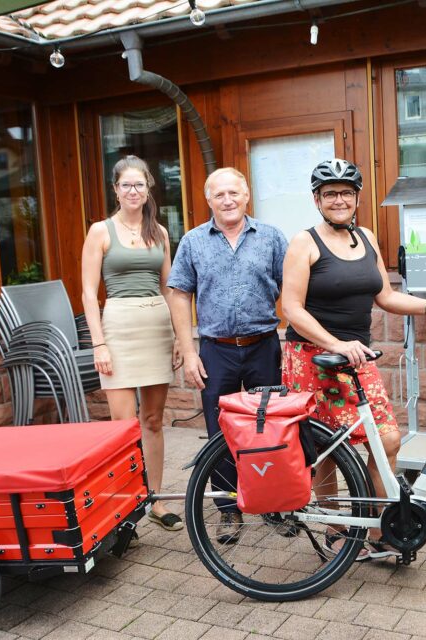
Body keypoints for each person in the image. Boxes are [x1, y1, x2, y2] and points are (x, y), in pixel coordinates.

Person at [281, 159, 426, 561]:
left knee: (388, 440)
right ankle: (334, 528)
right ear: (317, 200)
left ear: (357, 198)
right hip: (312, 358)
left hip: (356, 357)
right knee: (327, 449)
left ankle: (380, 528)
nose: (339, 200)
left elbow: (386, 296)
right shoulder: (303, 243)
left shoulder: (366, 237)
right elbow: (291, 308)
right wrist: (335, 342)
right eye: (330, 194)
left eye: (346, 193)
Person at [167, 167, 288, 544]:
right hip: (215, 350)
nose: (228, 200)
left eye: (234, 192)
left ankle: (272, 504)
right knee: (219, 432)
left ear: (246, 195)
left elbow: (292, 288)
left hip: (263, 347)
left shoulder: (271, 237)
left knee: (268, 428)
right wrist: (189, 351)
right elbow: (179, 294)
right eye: (219, 194)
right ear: (208, 200)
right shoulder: (192, 242)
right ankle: (228, 509)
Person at [81, 155, 183, 532]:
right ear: (116, 190)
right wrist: (99, 344)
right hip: (119, 329)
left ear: (148, 187)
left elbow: (170, 289)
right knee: (122, 426)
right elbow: (88, 293)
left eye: (139, 184)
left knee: (152, 420)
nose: (133, 191)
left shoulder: (160, 232)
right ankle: (124, 509)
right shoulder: (100, 231)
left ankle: (154, 499)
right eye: (126, 185)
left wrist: (179, 337)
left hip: (157, 326)